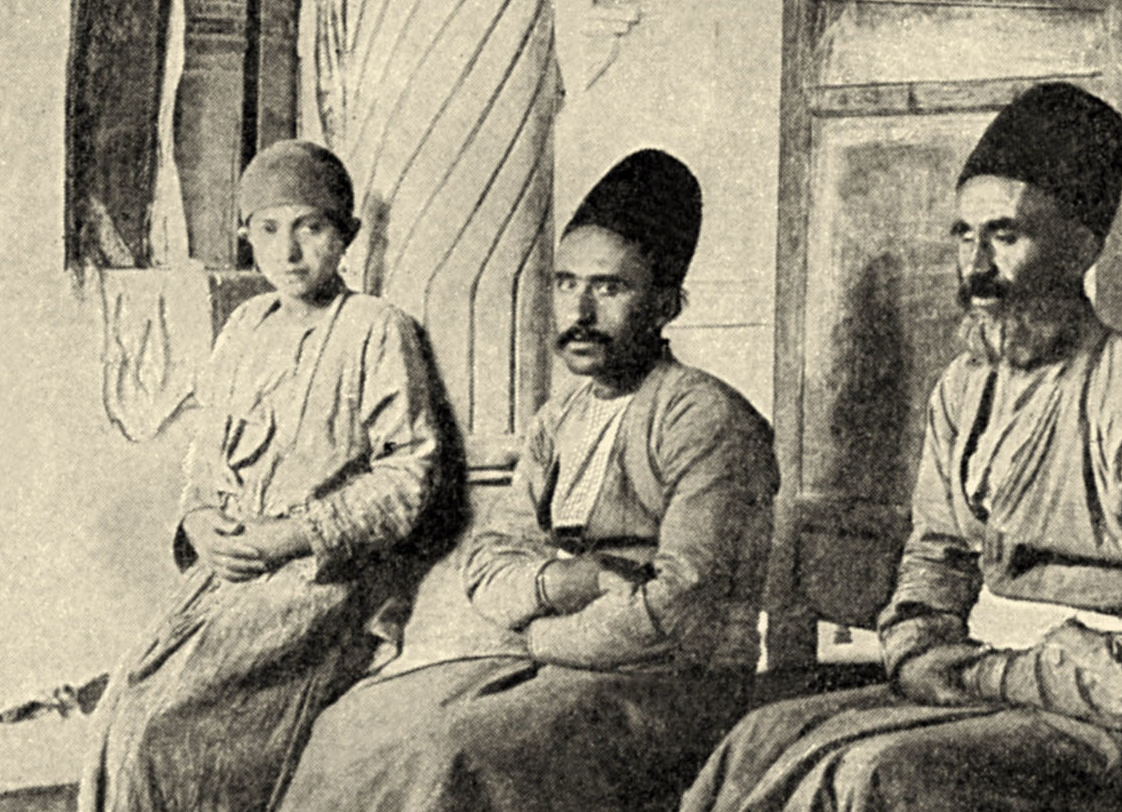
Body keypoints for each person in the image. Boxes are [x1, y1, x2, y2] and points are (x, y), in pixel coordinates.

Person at [680, 83, 1122, 812]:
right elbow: (935, 558)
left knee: (870, 774)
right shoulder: (963, 387)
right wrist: (919, 647)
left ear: (1080, 248)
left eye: (1004, 236)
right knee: (757, 740)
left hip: (1109, 719)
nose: (974, 267)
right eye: (962, 235)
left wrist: (990, 674)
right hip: (975, 681)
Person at [278, 148, 780, 812]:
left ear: (665, 304)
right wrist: (565, 583)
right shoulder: (560, 417)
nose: (579, 312)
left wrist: (539, 635)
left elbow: (678, 608)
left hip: (668, 689)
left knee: (449, 750)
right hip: (558, 662)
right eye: (566, 284)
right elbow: (490, 561)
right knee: (351, 726)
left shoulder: (705, 417)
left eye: (609, 288)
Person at [80, 140, 462, 812]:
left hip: (323, 581)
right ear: (246, 235)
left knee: (164, 729)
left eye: (309, 227)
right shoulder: (244, 327)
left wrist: (289, 536)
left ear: (345, 235)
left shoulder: (376, 328)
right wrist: (200, 520)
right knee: (122, 707)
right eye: (267, 229)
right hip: (231, 569)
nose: (287, 252)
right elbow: (206, 456)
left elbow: (409, 476)